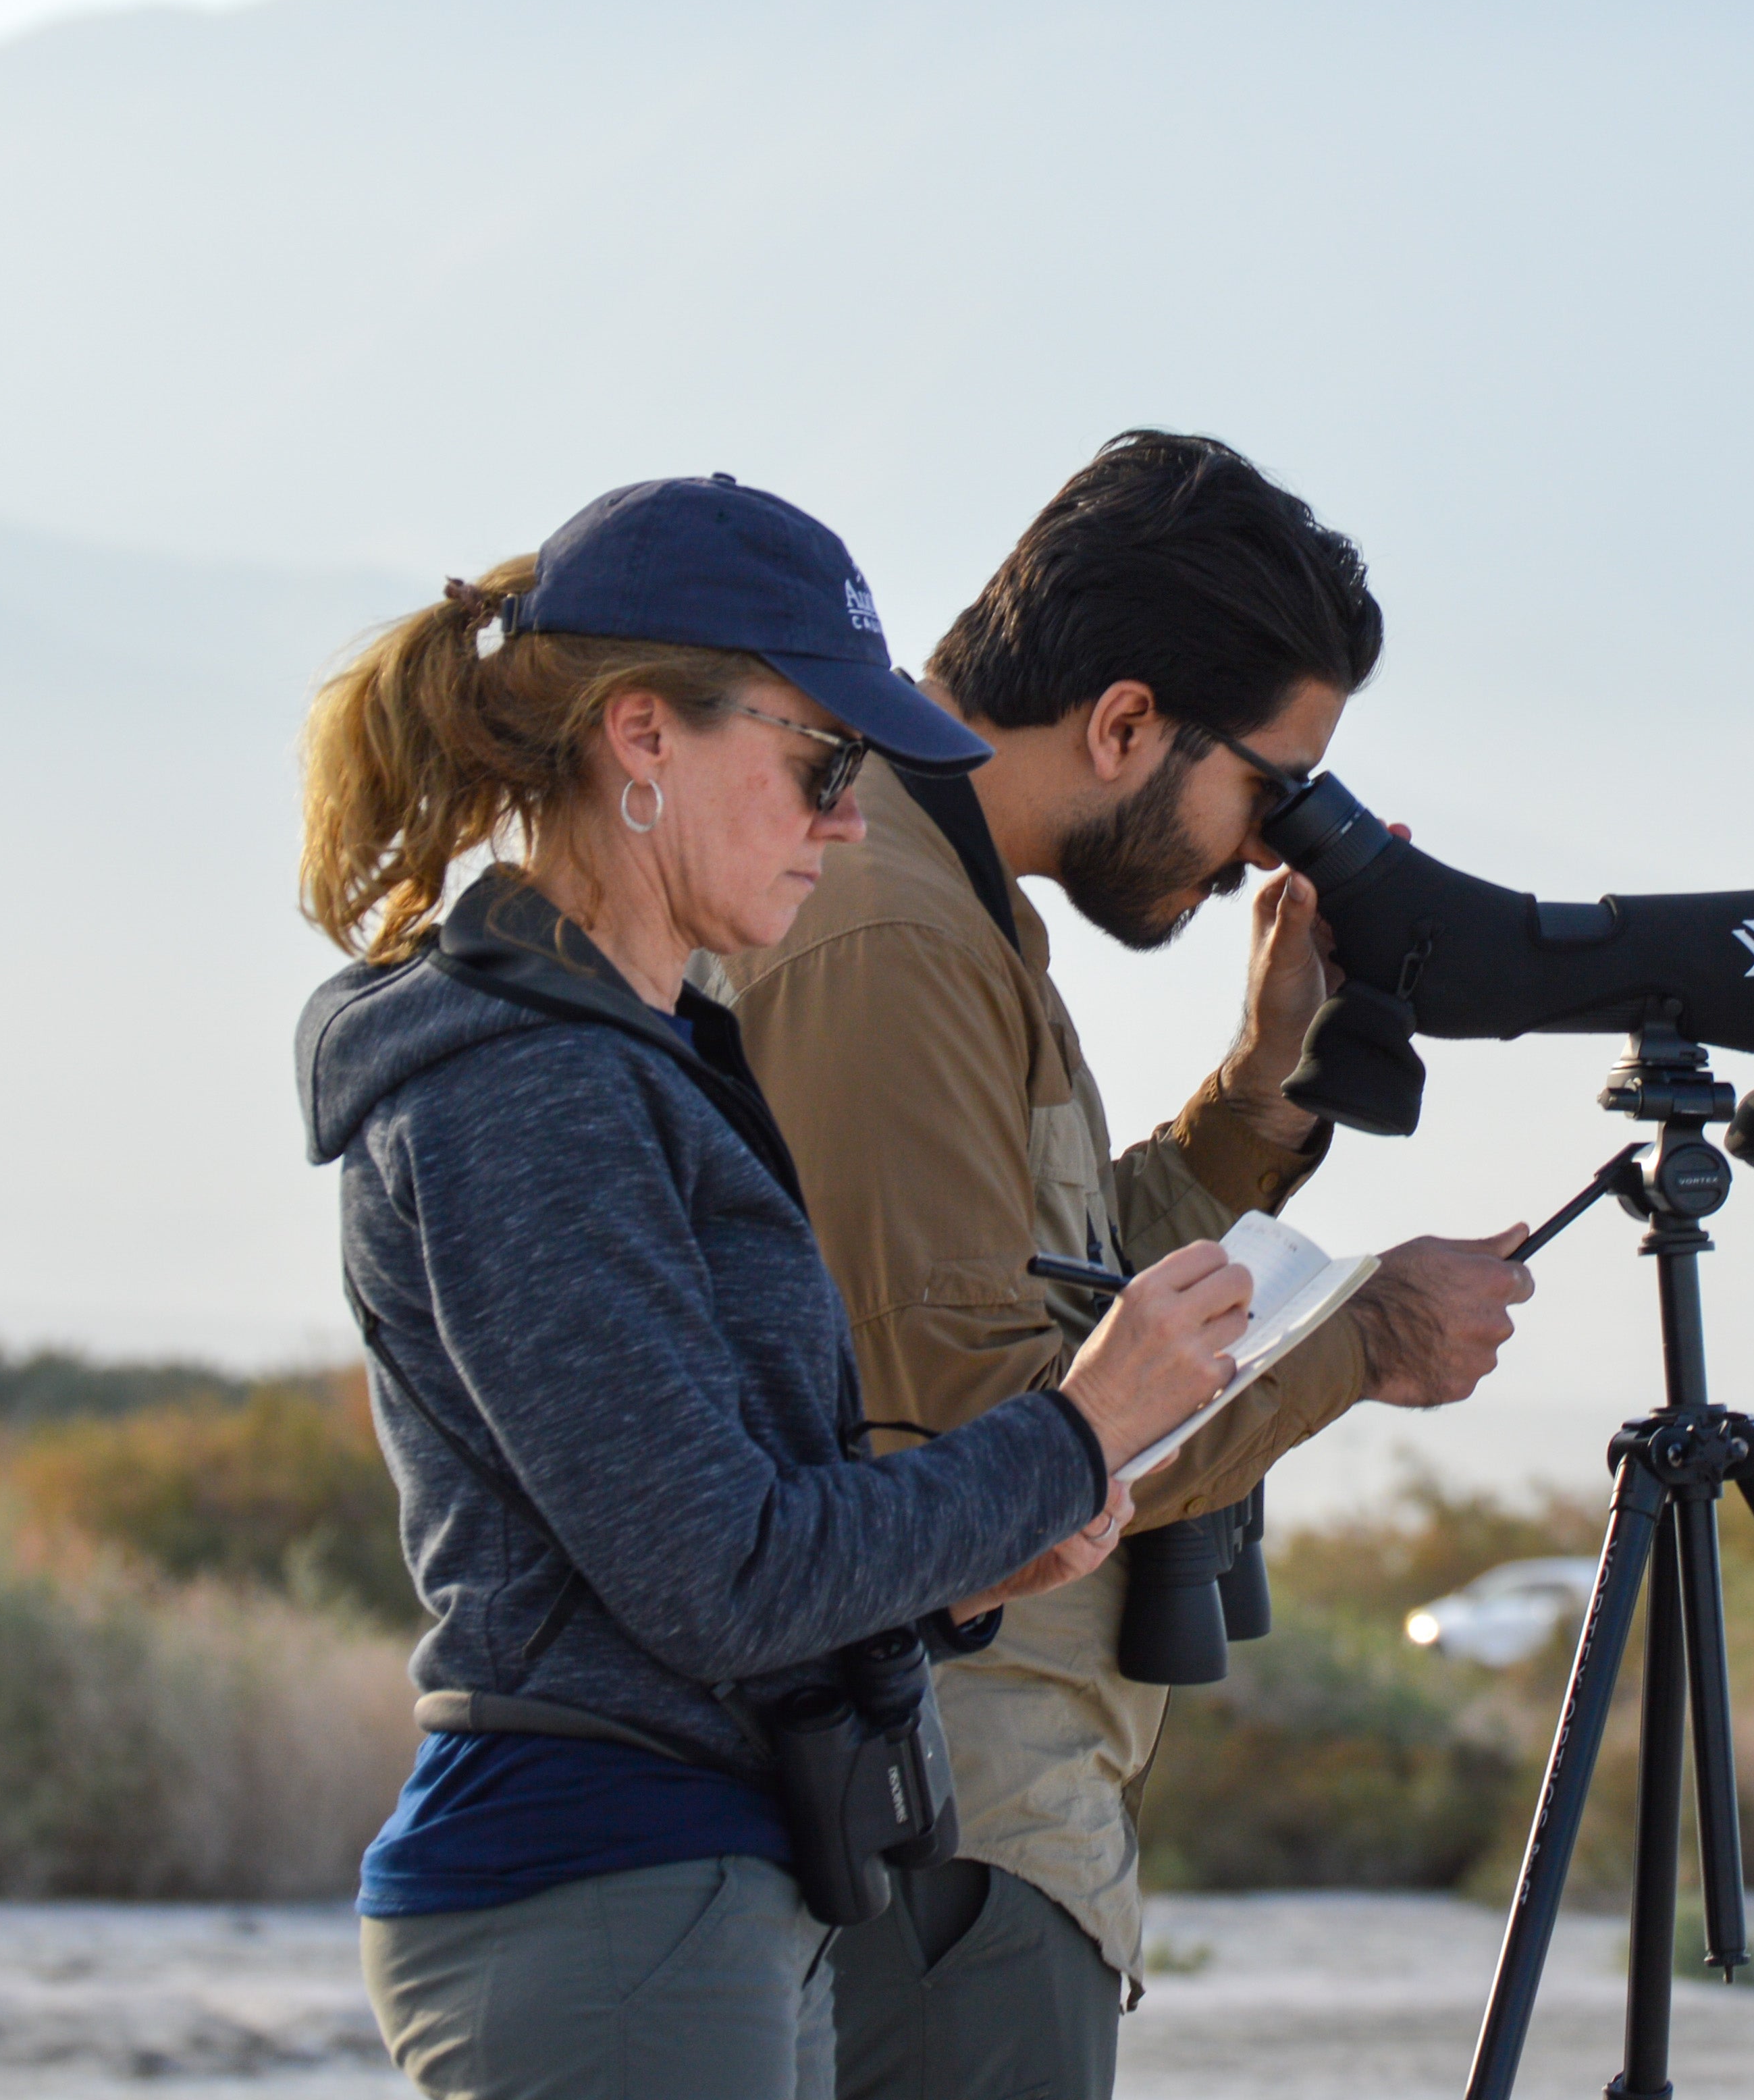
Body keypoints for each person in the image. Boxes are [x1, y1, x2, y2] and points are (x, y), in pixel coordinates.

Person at [296, 474, 1258, 2100]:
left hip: (695, 1884)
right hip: (606, 1891)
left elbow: (728, 1539)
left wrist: (982, 1548)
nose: (843, 814)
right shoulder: (526, 1088)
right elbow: (723, 1576)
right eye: (822, 762)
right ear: (642, 739)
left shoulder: (643, 1057)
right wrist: (1073, 1433)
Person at [719, 431, 1539, 2099]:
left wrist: (1260, 1087)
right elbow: (998, 1430)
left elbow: (1059, 1290)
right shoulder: (883, 925)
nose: (1261, 848)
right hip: (944, 1822)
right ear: (1121, 722)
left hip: (985, 1819)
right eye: (1268, 781)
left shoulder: (943, 897)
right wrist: (1360, 1334)